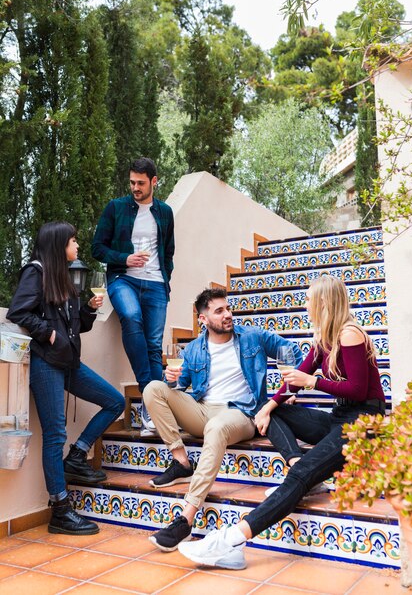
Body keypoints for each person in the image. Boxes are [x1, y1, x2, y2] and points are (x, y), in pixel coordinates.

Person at [177, 275, 386, 570]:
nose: (305, 304)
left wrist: (314, 381)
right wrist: (268, 407)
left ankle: (232, 541)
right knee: (268, 409)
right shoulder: (324, 337)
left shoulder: (349, 334)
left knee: (301, 474)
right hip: (340, 419)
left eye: (309, 299)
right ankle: (299, 467)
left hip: (362, 422)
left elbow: (358, 390)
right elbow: (296, 378)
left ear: (324, 302)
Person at [145, 287, 303, 552]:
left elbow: (292, 351)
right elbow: (180, 387)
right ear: (203, 319)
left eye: (228, 308)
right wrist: (171, 379)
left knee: (216, 428)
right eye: (219, 311)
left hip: (241, 412)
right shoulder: (193, 349)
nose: (227, 314)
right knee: (153, 388)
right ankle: (182, 461)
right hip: (204, 410)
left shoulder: (252, 336)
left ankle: (186, 518)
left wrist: (290, 387)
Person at [7, 222, 125, 536]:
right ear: (60, 244)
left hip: (70, 363)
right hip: (46, 365)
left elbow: (78, 327)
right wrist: (49, 334)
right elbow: (18, 312)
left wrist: (87, 309)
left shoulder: (65, 279)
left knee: (114, 401)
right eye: (73, 240)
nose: (77, 245)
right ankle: (59, 509)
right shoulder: (36, 272)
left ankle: (77, 456)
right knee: (55, 435)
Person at [91, 157, 174, 434]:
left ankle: (152, 411)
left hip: (156, 284)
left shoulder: (165, 212)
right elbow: (97, 248)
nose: (135, 188)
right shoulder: (116, 208)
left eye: (140, 183)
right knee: (131, 316)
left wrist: (165, 278)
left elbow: (169, 252)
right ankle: (149, 398)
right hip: (122, 278)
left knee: (153, 346)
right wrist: (125, 259)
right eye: (131, 182)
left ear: (154, 181)